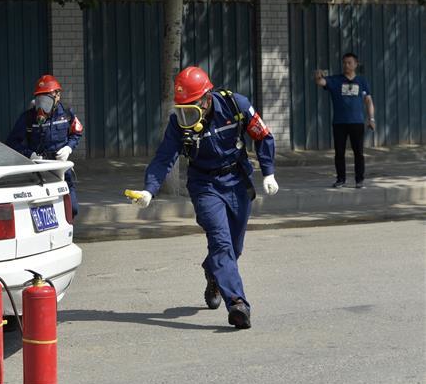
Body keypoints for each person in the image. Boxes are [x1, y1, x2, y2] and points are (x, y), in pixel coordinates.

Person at [131, 67, 278, 329]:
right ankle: (238, 304)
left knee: (235, 247)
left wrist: (268, 172)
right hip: (205, 184)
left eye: (192, 105)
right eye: (182, 106)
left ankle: (213, 272)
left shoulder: (236, 105)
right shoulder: (179, 122)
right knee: (221, 242)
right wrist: (149, 189)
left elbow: (263, 135)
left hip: (237, 180)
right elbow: (164, 157)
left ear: (207, 98)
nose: (186, 111)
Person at [6, 74, 84, 215]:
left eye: (46, 98)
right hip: (39, 170)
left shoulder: (66, 114)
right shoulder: (29, 117)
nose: (42, 103)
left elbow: (77, 133)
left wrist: (68, 148)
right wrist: (29, 154)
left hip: (61, 169)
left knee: (71, 209)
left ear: (57, 96)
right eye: (39, 98)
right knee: (44, 210)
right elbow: (12, 142)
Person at [314, 52, 375, 189]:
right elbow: (321, 81)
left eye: (349, 63)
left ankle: (359, 180)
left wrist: (371, 118)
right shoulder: (335, 80)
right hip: (339, 123)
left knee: (358, 152)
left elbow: (368, 101)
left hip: (357, 123)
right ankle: (341, 179)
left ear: (355, 64)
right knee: (339, 152)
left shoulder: (362, 81)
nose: (346, 65)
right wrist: (318, 75)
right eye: (344, 63)